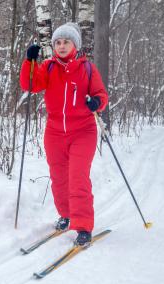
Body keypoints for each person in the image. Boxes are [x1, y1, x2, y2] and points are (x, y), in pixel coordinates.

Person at [19, 23, 108, 246]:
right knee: (59, 179)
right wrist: (30, 61)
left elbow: (101, 95)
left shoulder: (87, 68)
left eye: (66, 42)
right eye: (57, 42)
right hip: (55, 132)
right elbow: (30, 84)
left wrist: (96, 102)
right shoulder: (48, 67)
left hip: (83, 131)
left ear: (74, 45)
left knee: (77, 178)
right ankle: (67, 215)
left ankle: (84, 226)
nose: (61, 46)